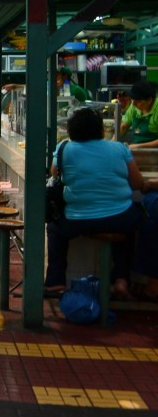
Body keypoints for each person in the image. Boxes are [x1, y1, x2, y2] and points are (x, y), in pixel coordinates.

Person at [45, 107, 143, 299]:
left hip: (77, 219)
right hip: (119, 217)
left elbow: (54, 173)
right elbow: (137, 183)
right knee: (130, 226)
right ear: (100, 130)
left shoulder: (64, 148)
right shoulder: (119, 148)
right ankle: (121, 280)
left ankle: (56, 281)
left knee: (55, 228)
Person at [119, 80, 158, 148]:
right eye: (132, 100)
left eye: (138, 101)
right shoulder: (134, 106)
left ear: (149, 100)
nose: (133, 104)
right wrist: (111, 143)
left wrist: (139, 146)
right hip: (137, 149)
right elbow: (124, 127)